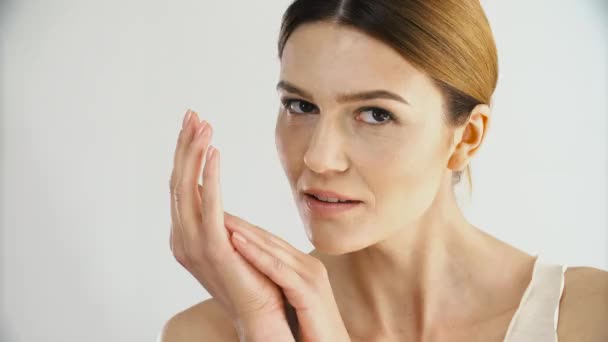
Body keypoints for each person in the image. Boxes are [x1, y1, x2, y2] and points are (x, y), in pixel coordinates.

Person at [161, 0, 608, 341]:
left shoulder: (588, 317)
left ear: (466, 137)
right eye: (301, 106)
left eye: (375, 114)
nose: (318, 158)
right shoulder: (209, 333)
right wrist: (259, 317)